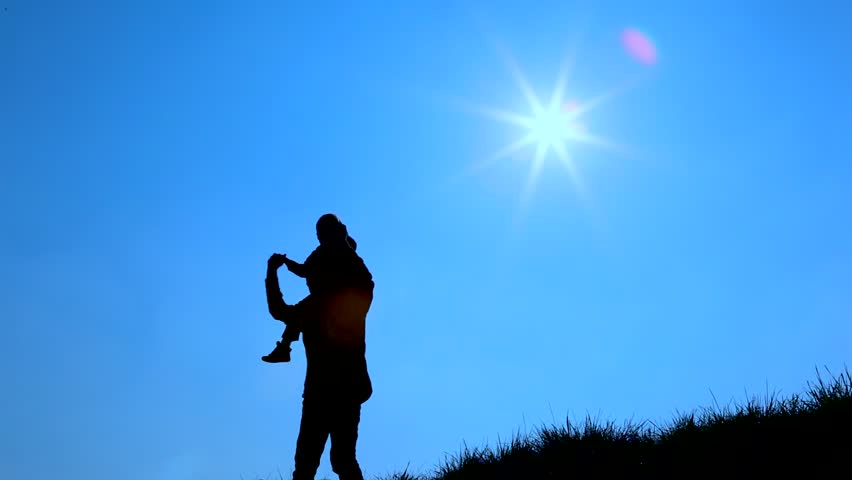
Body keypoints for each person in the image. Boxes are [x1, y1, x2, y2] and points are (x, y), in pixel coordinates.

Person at [265, 213, 374, 480]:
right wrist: (273, 272)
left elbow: (363, 279)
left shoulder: (349, 303)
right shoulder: (314, 306)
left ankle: (283, 348)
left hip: (339, 391)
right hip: (326, 392)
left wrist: (273, 271)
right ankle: (284, 347)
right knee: (313, 463)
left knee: (334, 461)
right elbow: (280, 311)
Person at [262, 231, 359, 363]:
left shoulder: (331, 293)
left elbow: (281, 311)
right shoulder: (320, 253)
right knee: (296, 317)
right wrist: (284, 262)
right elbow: (304, 270)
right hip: (322, 302)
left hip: (328, 301)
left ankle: (284, 348)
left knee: (297, 315)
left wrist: (277, 267)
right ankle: (284, 348)